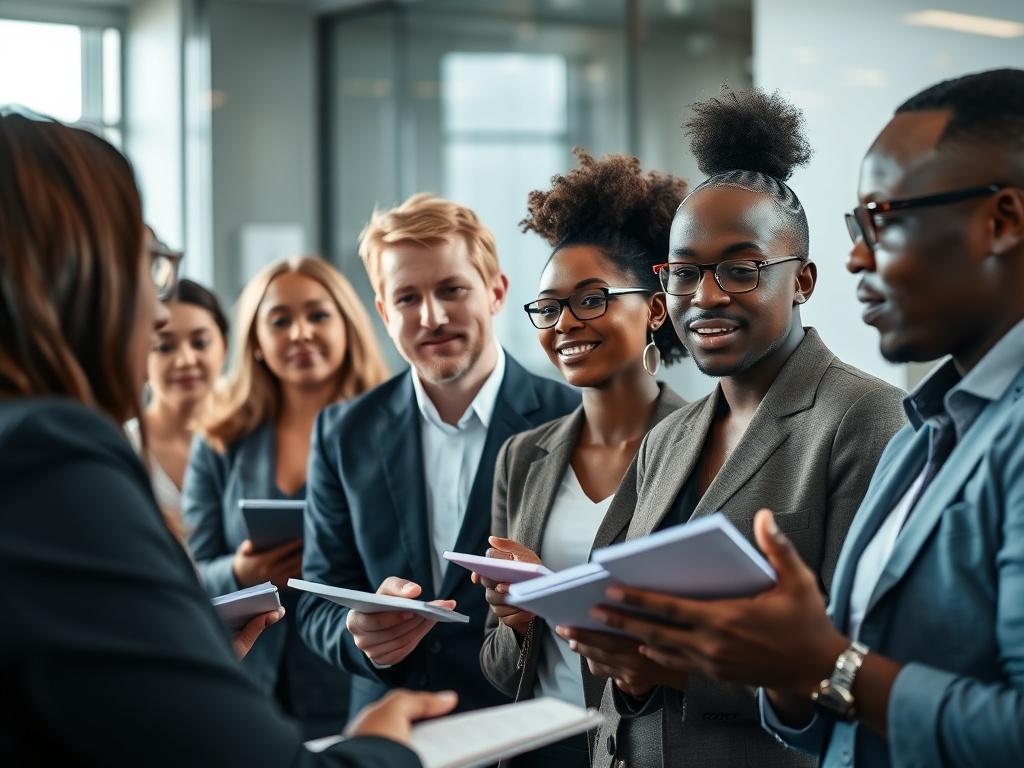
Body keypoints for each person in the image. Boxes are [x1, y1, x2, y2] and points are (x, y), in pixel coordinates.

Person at [590, 68, 1024, 768]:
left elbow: (847, 668)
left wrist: (823, 669)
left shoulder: (877, 418)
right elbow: (837, 698)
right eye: (683, 272)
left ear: (800, 281)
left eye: (884, 219)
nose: (861, 255)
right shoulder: (935, 426)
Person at [0, 110, 455, 767]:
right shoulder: (49, 455)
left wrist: (175, 651)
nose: (158, 310)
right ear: (76, 274)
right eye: (145, 264)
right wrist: (383, 743)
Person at [563, 89, 907, 768]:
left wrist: (677, 670)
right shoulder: (670, 437)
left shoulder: (863, 419)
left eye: (741, 270)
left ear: (802, 279)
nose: (707, 296)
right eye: (684, 273)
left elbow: (860, 663)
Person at [298, 193, 580, 715]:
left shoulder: (570, 417)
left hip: (527, 726)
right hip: (393, 731)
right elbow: (317, 598)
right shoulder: (344, 432)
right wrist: (357, 634)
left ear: (496, 291)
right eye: (407, 298)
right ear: (383, 312)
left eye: (452, 289)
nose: (432, 317)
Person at [476, 150, 688, 768]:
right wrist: (514, 620)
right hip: (538, 748)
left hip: (649, 750)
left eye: (592, 299)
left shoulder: (706, 445)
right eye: (548, 306)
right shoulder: (522, 457)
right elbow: (498, 667)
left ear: (654, 307)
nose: (565, 323)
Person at [182, 255, 389, 737]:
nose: (300, 333)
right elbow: (189, 571)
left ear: (348, 326)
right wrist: (241, 572)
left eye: (318, 315)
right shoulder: (221, 438)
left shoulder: (387, 433)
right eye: (280, 320)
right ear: (255, 341)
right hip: (247, 684)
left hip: (356, 677)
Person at [126, 273, 229, 522]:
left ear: (224, 346)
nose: (185, 360)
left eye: (200, 343)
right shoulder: (125, 445)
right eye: (164, 347)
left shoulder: (252, 439)